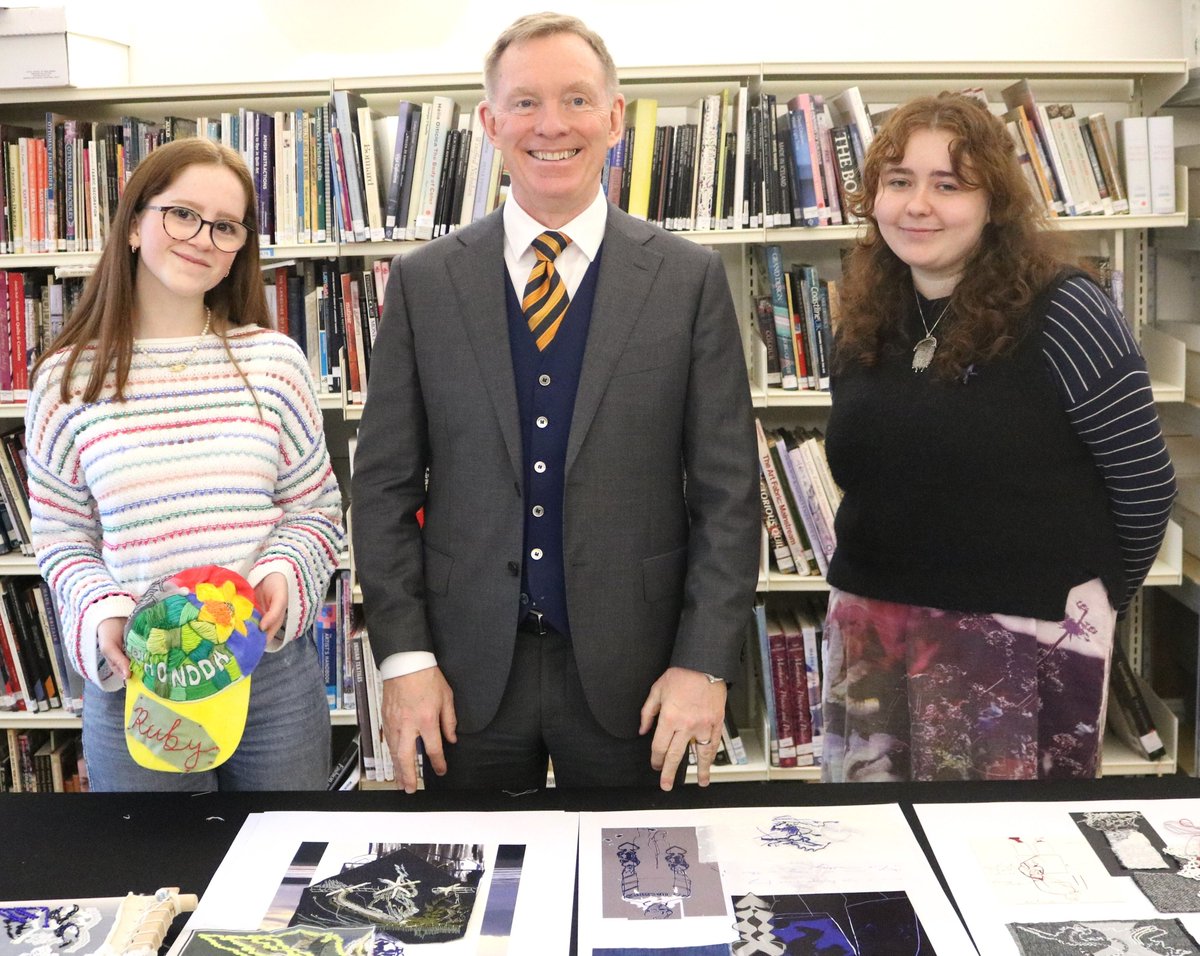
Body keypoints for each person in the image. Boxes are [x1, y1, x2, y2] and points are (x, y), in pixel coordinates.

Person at [351, 12, 759, 793]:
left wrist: (704, 661)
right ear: (490, 122)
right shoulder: (424, 283)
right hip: (460, 680)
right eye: (527, 102)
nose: (552, 125)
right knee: (463, 900)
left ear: (613, 117)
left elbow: (729, 496)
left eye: (576, 100)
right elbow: (384, 489)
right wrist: (405, 660)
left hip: (638, 679)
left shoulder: (686, 280)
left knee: (635, 898)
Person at [822, 92, 1177, 782]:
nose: (917, 205)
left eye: (948, 184)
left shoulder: (1066, 309)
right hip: (874, 633)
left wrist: (1086, 611)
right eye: (899, 181)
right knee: (877, 859)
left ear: (995, 203)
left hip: (1017, 645)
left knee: (1014, 865)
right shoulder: (865, 315)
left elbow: (1144, 486)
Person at [25, 137, 345, 791]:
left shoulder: (274, 362)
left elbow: (314, 510)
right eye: (182, 214)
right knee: (157, 882)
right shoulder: (66, 380)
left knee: (280, 880)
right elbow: (63, 542)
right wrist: (102, 610)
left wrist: (285, 571)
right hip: (140, 682)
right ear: (137, 223)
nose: (203, 237)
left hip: (269, 678)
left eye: (225, 226)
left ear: (239, 249)